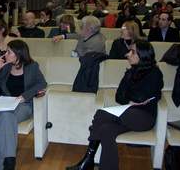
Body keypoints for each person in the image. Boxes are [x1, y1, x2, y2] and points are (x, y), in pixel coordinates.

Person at [66, 39, 163, 170]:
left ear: (143, 54)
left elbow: (142, 98)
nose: (127, 54)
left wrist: (130, 97)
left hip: (144, 118)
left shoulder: (155, 73)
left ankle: (87, 160)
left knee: (101, 114)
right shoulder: (130, 72)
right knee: (106, 130)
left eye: (132, 52)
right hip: (127, 114)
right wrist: (131, 100)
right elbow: (119, 97)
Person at [0, 40, 47, 170]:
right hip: (3, 105)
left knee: (4, 120)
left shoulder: (32, 66)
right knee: (6, 117)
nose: (5, 54)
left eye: (9, 52)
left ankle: (3, 164)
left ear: (18, 54)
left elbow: (42, 84)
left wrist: (24, 96)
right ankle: (9, 162)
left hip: (23, 105)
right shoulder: (5, 66)